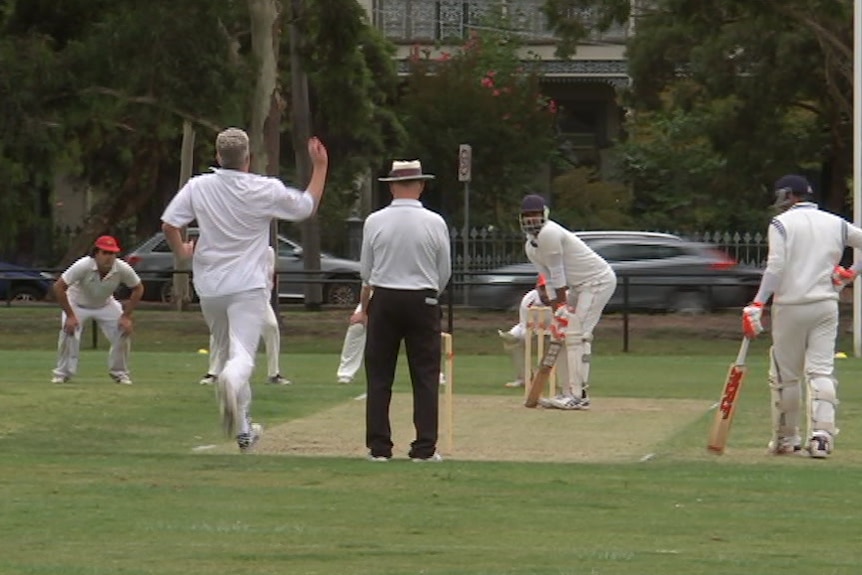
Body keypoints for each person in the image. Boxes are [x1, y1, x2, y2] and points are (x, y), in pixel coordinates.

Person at [161, 127, 328, 452]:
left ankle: (244, 430)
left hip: (209, 286)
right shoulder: (264, 188)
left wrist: (182, 252)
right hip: (248, 286)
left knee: (227, 355)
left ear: (217, 157)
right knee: (242, 358)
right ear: (248, 159)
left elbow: (169, 224)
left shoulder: (199, 186)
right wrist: (320, 167)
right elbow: (307, 207)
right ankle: (230, 385)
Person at [742, 174, 862, 458]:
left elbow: (775, 267)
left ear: (787, 196)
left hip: (791, 306)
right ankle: (822, 437)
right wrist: (852, 273)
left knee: (786, 375)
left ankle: (787, 439)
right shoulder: (835, 222)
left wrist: (758, 303)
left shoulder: (781, 224)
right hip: (825, 305)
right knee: (821, 370)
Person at [356, 160, 451, 462]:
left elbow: (366, 270)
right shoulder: (435, 222)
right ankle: (424, 448)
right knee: (425, 375)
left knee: (380, 375)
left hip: (384, 297)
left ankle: (379, 447)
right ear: (420, 185)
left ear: (392, 187)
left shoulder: (374, 221)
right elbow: (444, 270)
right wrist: (430, 292)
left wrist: (366, 303)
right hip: (422, 298)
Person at [519, 194, 616, 410]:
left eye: (535, 214)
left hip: (597, 281)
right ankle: (566, 392)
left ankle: (579, 395)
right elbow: (549, 281)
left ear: (544, 214)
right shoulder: (530, 247)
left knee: (577, 335)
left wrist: (562, 307)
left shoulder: (550, 233)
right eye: (526, 215)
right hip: (576, 287)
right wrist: (557, 310)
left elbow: (557, 272)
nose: (531, 219)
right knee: (561, 334)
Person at [51, 235, 145, 385]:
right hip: (76, 304)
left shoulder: (121, 268)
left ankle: (120, 374)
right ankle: (63, 374)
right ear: (96, 253)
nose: (109, 257)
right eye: (105, 253)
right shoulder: (83, 265)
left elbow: (138, 288)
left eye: (112, 253)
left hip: (105, 304)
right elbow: (59, 287)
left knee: (123, 330)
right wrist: (70, 315)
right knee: (69, 332)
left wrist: (126, 316)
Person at [199, 246, 291, 386]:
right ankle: (214, 373)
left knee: (271, 326)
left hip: (257, 298)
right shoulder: (232, 249)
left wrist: (264, 299)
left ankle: (274, 374)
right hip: (232, 295)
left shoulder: (268, 252)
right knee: (220, 330)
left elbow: (269, 279)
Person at [336, 295, 447, 386]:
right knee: (357, 326)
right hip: (382, 292)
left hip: (417, 292)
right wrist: (363, 311)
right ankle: (346, 373)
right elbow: (367, 280)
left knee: (423, 330)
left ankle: (434, 374)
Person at [497, 274, 553, 388]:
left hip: (555, 331)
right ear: (537, 288)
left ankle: (567, 381)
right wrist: (533, 333)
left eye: (549, 288)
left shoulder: (563, 297)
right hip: (531, 330)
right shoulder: (529, 299)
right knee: (511, 339)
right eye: (543, 288)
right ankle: (524, 377)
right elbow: (525, 325)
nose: (546, 292)